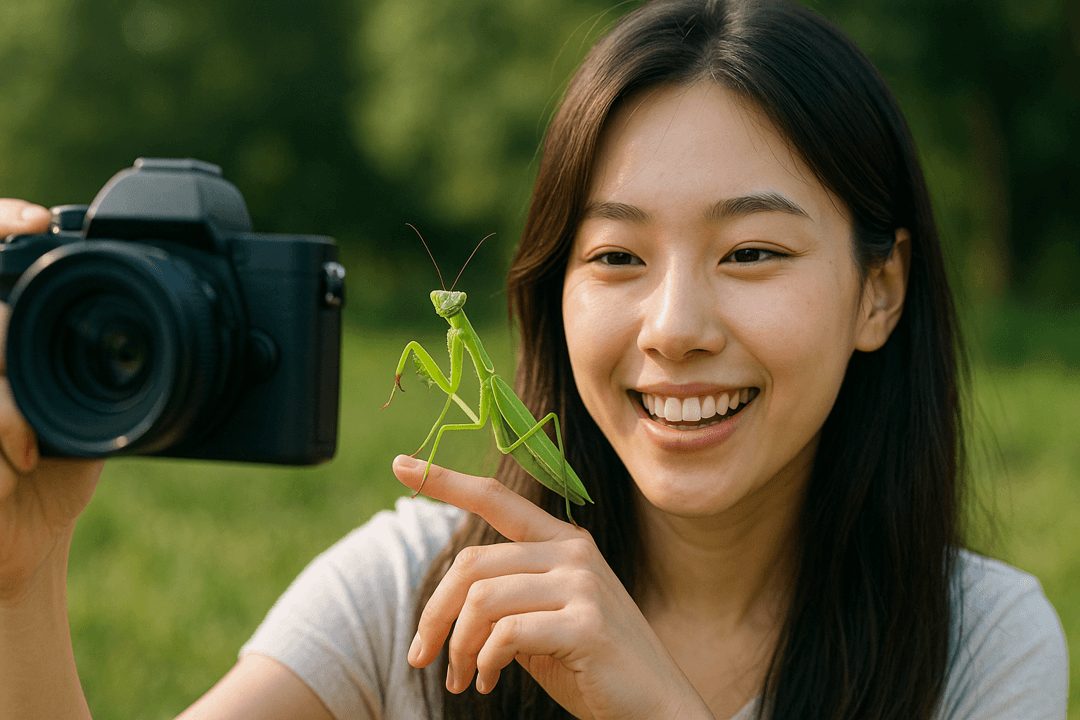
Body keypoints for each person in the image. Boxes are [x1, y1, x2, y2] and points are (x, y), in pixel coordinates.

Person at [0, 0, 1068, 718]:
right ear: (555, 292)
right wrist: (20, 576)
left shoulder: (981, 646)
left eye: (751, 251)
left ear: (881, 289)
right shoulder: (412, 591)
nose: (674, 328)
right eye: (616, 256)